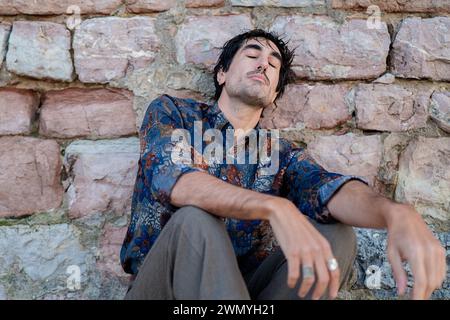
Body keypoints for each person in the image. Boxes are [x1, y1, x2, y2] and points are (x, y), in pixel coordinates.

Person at [120, 29, 446, 300]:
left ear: (275, 94)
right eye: (252, 54)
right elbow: (176, 179)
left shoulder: (279, 155)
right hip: (167, 292)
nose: (263, 63)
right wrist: (275, 208)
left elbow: (327, 188)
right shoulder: (174, 113)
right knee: (195, 221)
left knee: (338, 236)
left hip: (246, 295)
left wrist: (395, 213)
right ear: (222, 73)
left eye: (273, 63)